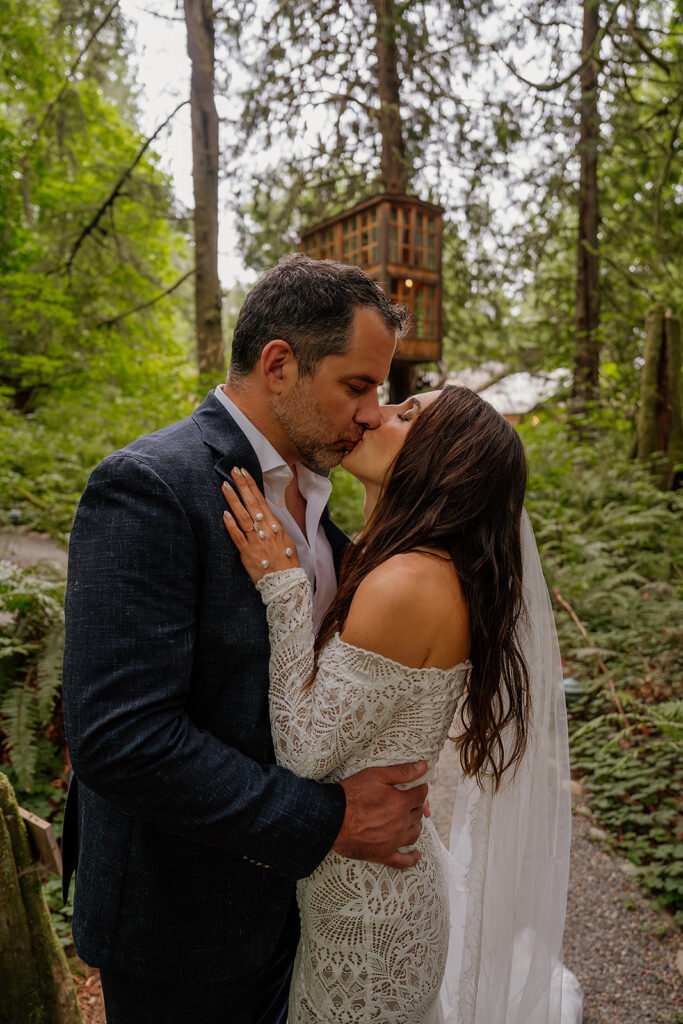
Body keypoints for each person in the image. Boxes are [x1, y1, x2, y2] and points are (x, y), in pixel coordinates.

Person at [61, 254, 433, 1024]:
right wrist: (329, 820)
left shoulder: (326, 507)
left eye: (379, 392)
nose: (370, 412)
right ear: (278, 364)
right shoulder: (151, 485)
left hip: (295, 918)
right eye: (356, 386)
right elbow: (121, 738)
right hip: (181, 930)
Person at [222, 385, 582, 1023]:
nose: (376, 413)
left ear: (444, 460)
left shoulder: (407, 584)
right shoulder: (410, 565)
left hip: (368, 925)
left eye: (407, 414)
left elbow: (304, 752)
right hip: (373, 895)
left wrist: (281, 588)